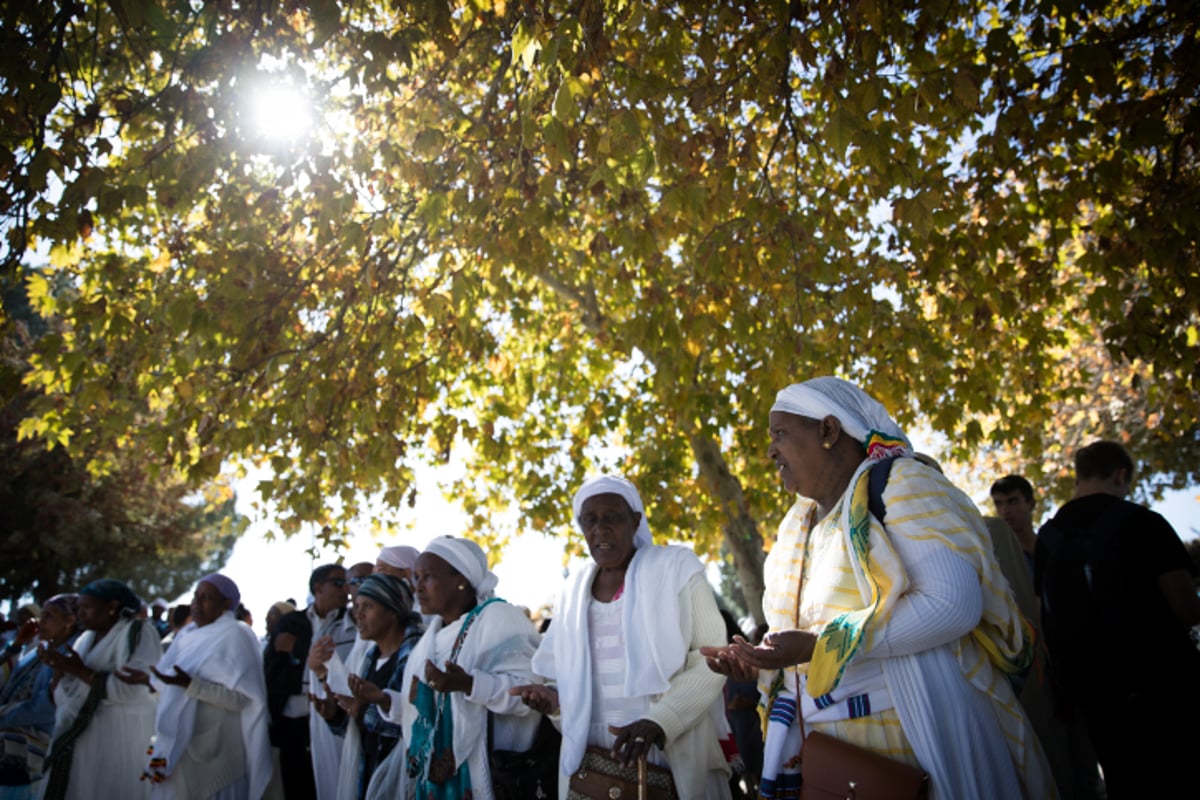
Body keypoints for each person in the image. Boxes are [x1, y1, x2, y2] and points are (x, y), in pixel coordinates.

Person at [701, 377, 1054, 799]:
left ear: (828, 431)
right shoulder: (798, 528)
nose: (771, 450)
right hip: (830, 762)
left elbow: (953, 604)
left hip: (917, 748)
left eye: (780, 435)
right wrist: (761, 663)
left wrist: (819, 647)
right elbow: (804, 651)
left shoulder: (900, 483)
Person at [511, 475, 735, 799]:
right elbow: (564, 682)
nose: (600, 529)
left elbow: (711, 657)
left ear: (635, 521)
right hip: (591, 760)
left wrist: (660, 721)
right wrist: (553, 701)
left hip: (667, 748)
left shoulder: (676, 567)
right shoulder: (573, 591)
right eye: (590, 521)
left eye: (612, 518)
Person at [1034, 439, 1200, 798]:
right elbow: (1187, 609)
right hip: (1165, 688)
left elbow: (1043, 619)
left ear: (1078, 478)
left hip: (1094, 699)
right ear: (1121, 475)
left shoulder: (1047, 539)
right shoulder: (1143, 522)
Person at [384, 536, 543, 799]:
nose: (418, 587)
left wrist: (469, 685)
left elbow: (531, 695)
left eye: (427, 577)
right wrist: (382, 700)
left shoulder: (500, 618)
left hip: (490, 778)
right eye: (415, 578)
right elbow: (419, 712)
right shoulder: (430, 638)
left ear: (460, 578)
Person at [123, 573, 271, 799]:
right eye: (195, 597)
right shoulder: (187, 636)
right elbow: (171, 682)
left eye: (206, 597)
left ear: (226, 604)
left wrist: (192, 685)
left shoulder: (237, 634)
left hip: (217, 755)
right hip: (181, 751)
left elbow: (243, 700)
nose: (197, 604)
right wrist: (148, 679)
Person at [39, 579, 163, 800]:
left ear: (112, 606)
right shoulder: (85, 638)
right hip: (82, 742)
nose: (81, 614)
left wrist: (77, 670)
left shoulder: (138, 632)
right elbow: (66, 696)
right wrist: (59, 670)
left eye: (87, 607)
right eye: (79, 608)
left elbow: (130, 690)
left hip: (118, 738)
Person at [315, 573, 423, 800]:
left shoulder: (416, 655)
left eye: (368, 606)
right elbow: (359, 728)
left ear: (392, 610)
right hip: (371, 773)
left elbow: (418, 721)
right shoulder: (369, 658)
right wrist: (335, 715)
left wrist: (363, 711)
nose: (358, 614)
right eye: (356, 606)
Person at [277, 565, 358, 800]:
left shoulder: (351, 620)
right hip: (296, 719)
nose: (346, 589)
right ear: (318, 587)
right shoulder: (292, 621)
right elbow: (276, 666)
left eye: (347, 583)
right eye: (338, 583)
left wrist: (298, 649)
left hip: (338, 714)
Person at [0, 595, 81, 800]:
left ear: (69, 620)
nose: (39, 621)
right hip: (10, 751)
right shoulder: (39, 650)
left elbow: (48, 706)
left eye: (49, 616)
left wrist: (4, 715)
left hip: (31, 757)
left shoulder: (71, 656)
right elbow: (9, 682)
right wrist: (17, 644)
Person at [990, 475, 1038, 575]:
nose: (1005, 510)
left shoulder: (1052, 547)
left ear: (1031, 504)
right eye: (998, 504)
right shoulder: (997, 558)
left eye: (1013, 502)